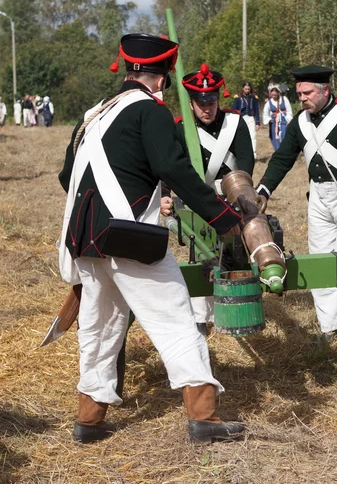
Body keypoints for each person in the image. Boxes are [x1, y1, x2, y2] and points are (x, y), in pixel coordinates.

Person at [57, 33, 245, 445]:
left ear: (128, 69)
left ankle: (88, 420)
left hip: (85, 239)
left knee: (99, 327)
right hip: (129, 239)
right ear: (164, 75)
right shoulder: (152, 111)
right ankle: (204, 417)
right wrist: (223, 217)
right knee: (176, 320)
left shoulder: (93, 113)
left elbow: (65, 178)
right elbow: (173, 168)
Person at [256, 65, 337, 344]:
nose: (302, 98)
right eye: (300, 93)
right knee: (320, 257)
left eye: (308, 92)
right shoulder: (300, 122)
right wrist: (264, 189)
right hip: (319, 196)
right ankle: (330, 326)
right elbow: (282, 158)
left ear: (325, 90)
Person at [163, 63, 254, 334]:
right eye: (200, 103)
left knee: (233, 252)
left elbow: (246, 162)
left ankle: (232, 306)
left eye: (211, 102)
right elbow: (170, 166)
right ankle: (201, 318)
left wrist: (241, 192)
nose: (207, 108)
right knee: (200, 253)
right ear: (191, 104)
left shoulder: (235, 122)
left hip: (231, 193)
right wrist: (166, 195)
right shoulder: (180, 128)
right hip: (197, 196)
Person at [231, 82, 260, 157]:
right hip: (241, 118)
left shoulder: (254, 98)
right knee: (241, 136)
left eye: (249, 89)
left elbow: (256, 110)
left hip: (250, 118)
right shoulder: (238, 97)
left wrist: (257, 123)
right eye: (246, 89)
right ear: (243, 88)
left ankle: (253, 154)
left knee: (252, 135)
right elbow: (234, 110)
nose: (247, 90)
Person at [262, 85, 292, 150]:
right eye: (272, 95)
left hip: (284, 122)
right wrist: (269, 120)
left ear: (278, 93)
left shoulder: (284, 99)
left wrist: (289, 119)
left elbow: (289, 110)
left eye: (275, 95)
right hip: (274, 123)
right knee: (275, 139)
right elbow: (265, 113)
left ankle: (285, 152)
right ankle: (277, 152)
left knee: (284, 137)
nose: (274, 97)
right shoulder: (269, 102)